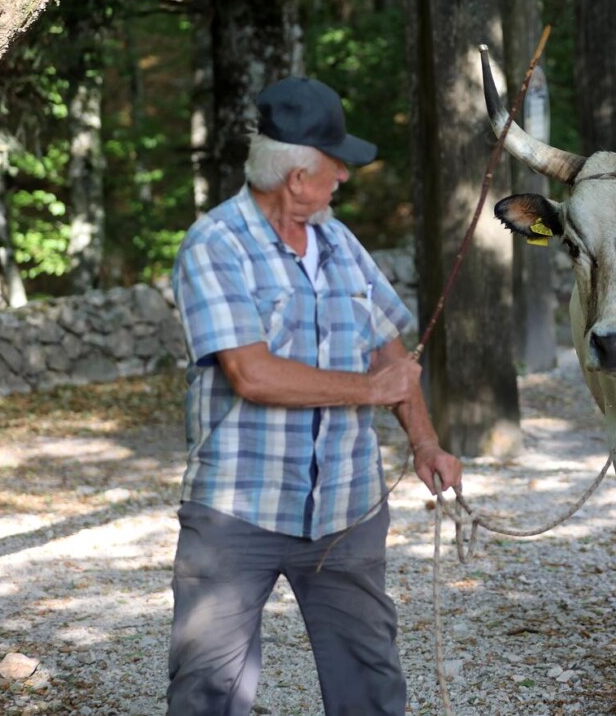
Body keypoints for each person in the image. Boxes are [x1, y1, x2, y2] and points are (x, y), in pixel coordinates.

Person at [167, 76, 462, 716]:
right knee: (207, 691)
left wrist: (425, 441)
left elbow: (388, 347)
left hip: (347, 509)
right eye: (336, 168)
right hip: (238, 511)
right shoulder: (214, 246)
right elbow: (252, 373)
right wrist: (369, 389)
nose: (344, 180)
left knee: (370, 685)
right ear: (297, 177)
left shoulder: (339, 242)